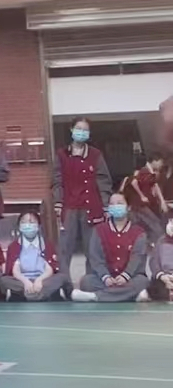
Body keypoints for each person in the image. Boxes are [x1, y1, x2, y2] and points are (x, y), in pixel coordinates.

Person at [52, 118, 112, 273]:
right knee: (65, 247)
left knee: (91, 248)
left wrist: (106, 205)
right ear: (71, 130)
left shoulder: (95, 154)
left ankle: (90, 281)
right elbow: (57, 181)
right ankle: (63, 281)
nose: (82, 132)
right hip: (69, 207)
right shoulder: (62, 154)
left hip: (91, 207)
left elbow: (103, 181)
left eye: (85, 130)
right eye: (79, 129)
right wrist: (58, 202)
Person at [72, 195, 150, 303]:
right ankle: (131, 296)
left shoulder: (139, 232)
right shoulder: (99, 230)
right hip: (104, 280)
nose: (115, 206)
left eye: (119, 203)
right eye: (112, 204)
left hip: (130, 278)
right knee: (86, 282)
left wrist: (125, 276)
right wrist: (105, 276)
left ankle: (95, 296)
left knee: (142, 282)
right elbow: (95, 258)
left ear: (128, 207)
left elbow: (137, 258)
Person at [0, 210, 69, 302]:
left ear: (38, 226)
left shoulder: (47, 244)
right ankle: (40, 295)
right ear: (19, 226)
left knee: (61, 278)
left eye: (31, 222)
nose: (28, 225)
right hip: (21, 281)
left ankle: (27, 295)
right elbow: (15, 270)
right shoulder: (14, 246)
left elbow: (49, 268)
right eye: (24, 222)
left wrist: (39, 280)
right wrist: (26, 282)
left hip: (43, 280)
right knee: (4, 280)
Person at [121, 153, 168, 244]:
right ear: (154, 161)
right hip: (139, 205)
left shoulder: (150, 172)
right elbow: (134, 182)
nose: (161, 165)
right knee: (155, 224)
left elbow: (154, 185)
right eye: (160, 162)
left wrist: (161, 200)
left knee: (149, 225)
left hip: (141, 206)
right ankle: (159, 244)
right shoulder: (144, 171)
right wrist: (142, 196)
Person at [148, 214, 173, 303]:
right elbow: (154, 262)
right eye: (171, 221)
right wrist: (162, 276)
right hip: (163, 278)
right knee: (156, 289)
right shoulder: (161, 241)